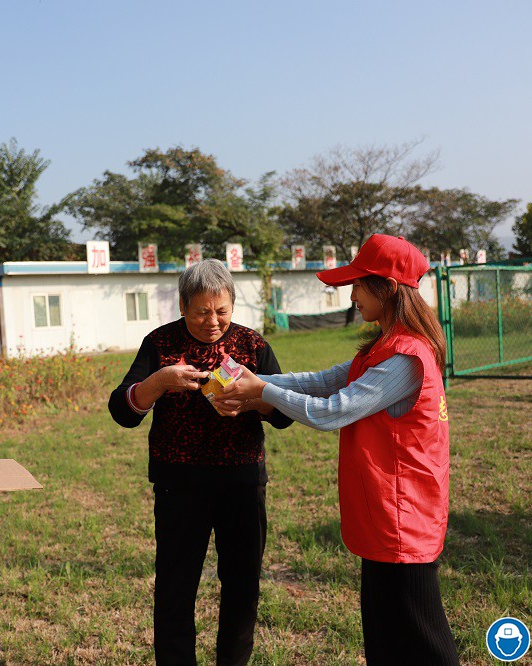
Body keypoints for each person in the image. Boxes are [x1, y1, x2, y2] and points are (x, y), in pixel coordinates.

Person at [214, 234, 459, 665]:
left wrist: (265, 390)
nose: (352, 296)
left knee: (423, 641)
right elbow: (322, 381)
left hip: (404, 521)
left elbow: (332, 412)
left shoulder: (405, 359)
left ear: (386, 288)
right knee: (384, 640)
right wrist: (256, 386)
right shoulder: (383, 348)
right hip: (385, 517)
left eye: (358, 286)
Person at [108, 259, 293, 666]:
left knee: (242, 587)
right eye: (201, 312)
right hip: (180, 485)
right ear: (182, 305)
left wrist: (251, 399)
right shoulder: (159, 344)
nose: (213, 321)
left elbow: (284, 414)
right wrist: (159, 382)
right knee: (175, 587)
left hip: (242, 482)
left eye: (222, 310)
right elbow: (122, 411)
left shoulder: (252, 344)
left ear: (232, 305)